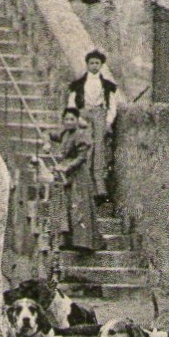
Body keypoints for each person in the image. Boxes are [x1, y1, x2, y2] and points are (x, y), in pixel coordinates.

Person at [63, 49, 122, 203]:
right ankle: (85, 188)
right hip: (84, 117)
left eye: (97, 63)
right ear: (87, 64)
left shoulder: (107, 86)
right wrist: (78, 119)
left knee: (99, 151)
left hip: (100, 117)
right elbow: (72, 104)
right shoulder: (79, 85)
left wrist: (108, 121)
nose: (94, 66)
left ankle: (99, 190)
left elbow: (112, 106)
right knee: (85, 149)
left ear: (101, 65)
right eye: (92, 63)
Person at [51, 108, 98, 253]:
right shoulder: (65, 134)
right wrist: (47, 143)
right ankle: (67, 240)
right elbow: (51, 135)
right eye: (66, 119)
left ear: (77, 121)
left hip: (78, 175)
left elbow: (81, 157)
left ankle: (83, 242)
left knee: (79, 206)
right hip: (67, 176)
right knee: (65, 205)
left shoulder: (81, 135)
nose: (69, 122)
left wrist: (66, 167)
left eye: (72, 119)